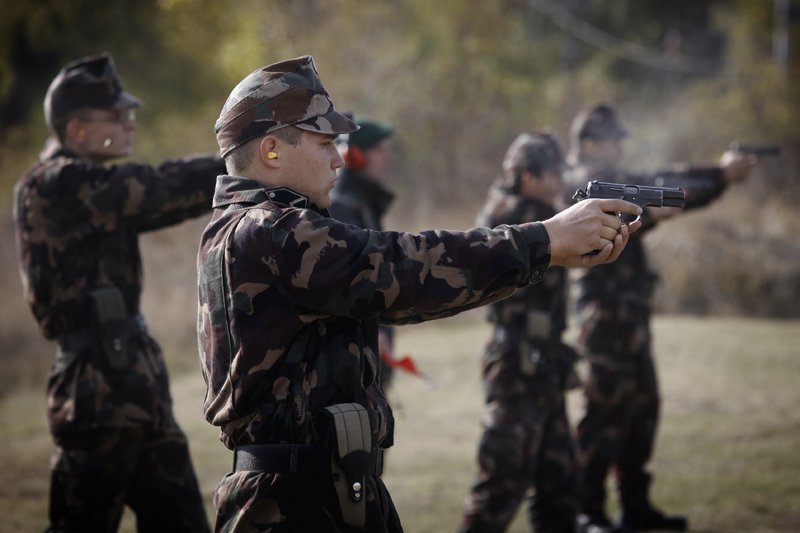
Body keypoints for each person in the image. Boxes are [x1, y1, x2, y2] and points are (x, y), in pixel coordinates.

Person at [197, 55, 642, 533]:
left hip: (319, 487)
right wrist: (545, 240)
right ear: (271, 150)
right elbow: (402, 268)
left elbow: (399, 280)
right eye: (324, 143)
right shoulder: (270, 231)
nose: (339, 159)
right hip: (291, 502)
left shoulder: (257, 229)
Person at [13, 52, 224, 532]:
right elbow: (157, 189)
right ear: (77, 130)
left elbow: (161, 197)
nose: (130, 124)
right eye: (115, 115)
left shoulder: (90, 186)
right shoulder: (54, 184)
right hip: (94, 392)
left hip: (134, 381)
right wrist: (243, 160)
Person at [563, 104, 754, 533]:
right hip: (602, 320)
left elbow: (671, 180)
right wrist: (648, 214)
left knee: (642, 410)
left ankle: (635, 506)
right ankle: (587, 511)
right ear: (589, 144)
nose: (619, 147)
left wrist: (721, 175)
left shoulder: (621, 178)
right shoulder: (577, 182)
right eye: (612, 140)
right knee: (602, 413)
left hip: (631, 320)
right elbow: (597, 220)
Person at [459, 131, 582, 533]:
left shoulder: (537, 210)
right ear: (528, 177)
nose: (561, 181)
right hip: (517, 365)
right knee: (501, 484)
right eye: (554, 174)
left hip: (545, 364)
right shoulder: (511, 213)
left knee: (560, 484)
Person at [329, 116, 398, 391]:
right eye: (379, 150)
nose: (387, 157)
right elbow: (351, 280)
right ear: (354, 157)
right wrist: (372, 330)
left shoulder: (361, 203)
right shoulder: (342, 208)